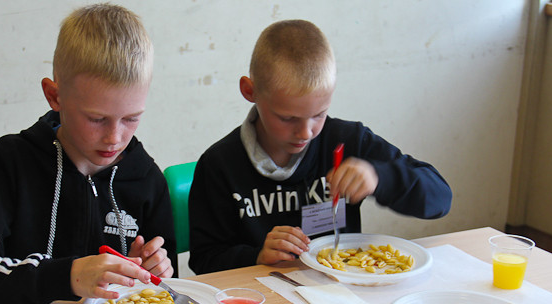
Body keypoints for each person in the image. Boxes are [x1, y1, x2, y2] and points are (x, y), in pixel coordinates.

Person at [0, 4, 176, 304]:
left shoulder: (147, 178)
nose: (115, 138)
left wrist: (154, 272)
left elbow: (165, 297)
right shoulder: (9, 163)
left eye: (131, 118)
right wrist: (66, 276)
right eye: (96, 119)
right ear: (54, 96)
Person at [188, 19, 452, 274]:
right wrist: (256, 256)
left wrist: (380, 178)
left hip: (342, 291)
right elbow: (204, 260)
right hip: (264, 295)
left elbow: (440, 199)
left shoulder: (348, 141)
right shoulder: (220, 164)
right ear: (250, 91)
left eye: (319, 114)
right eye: (287, 118)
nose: (306, 132)